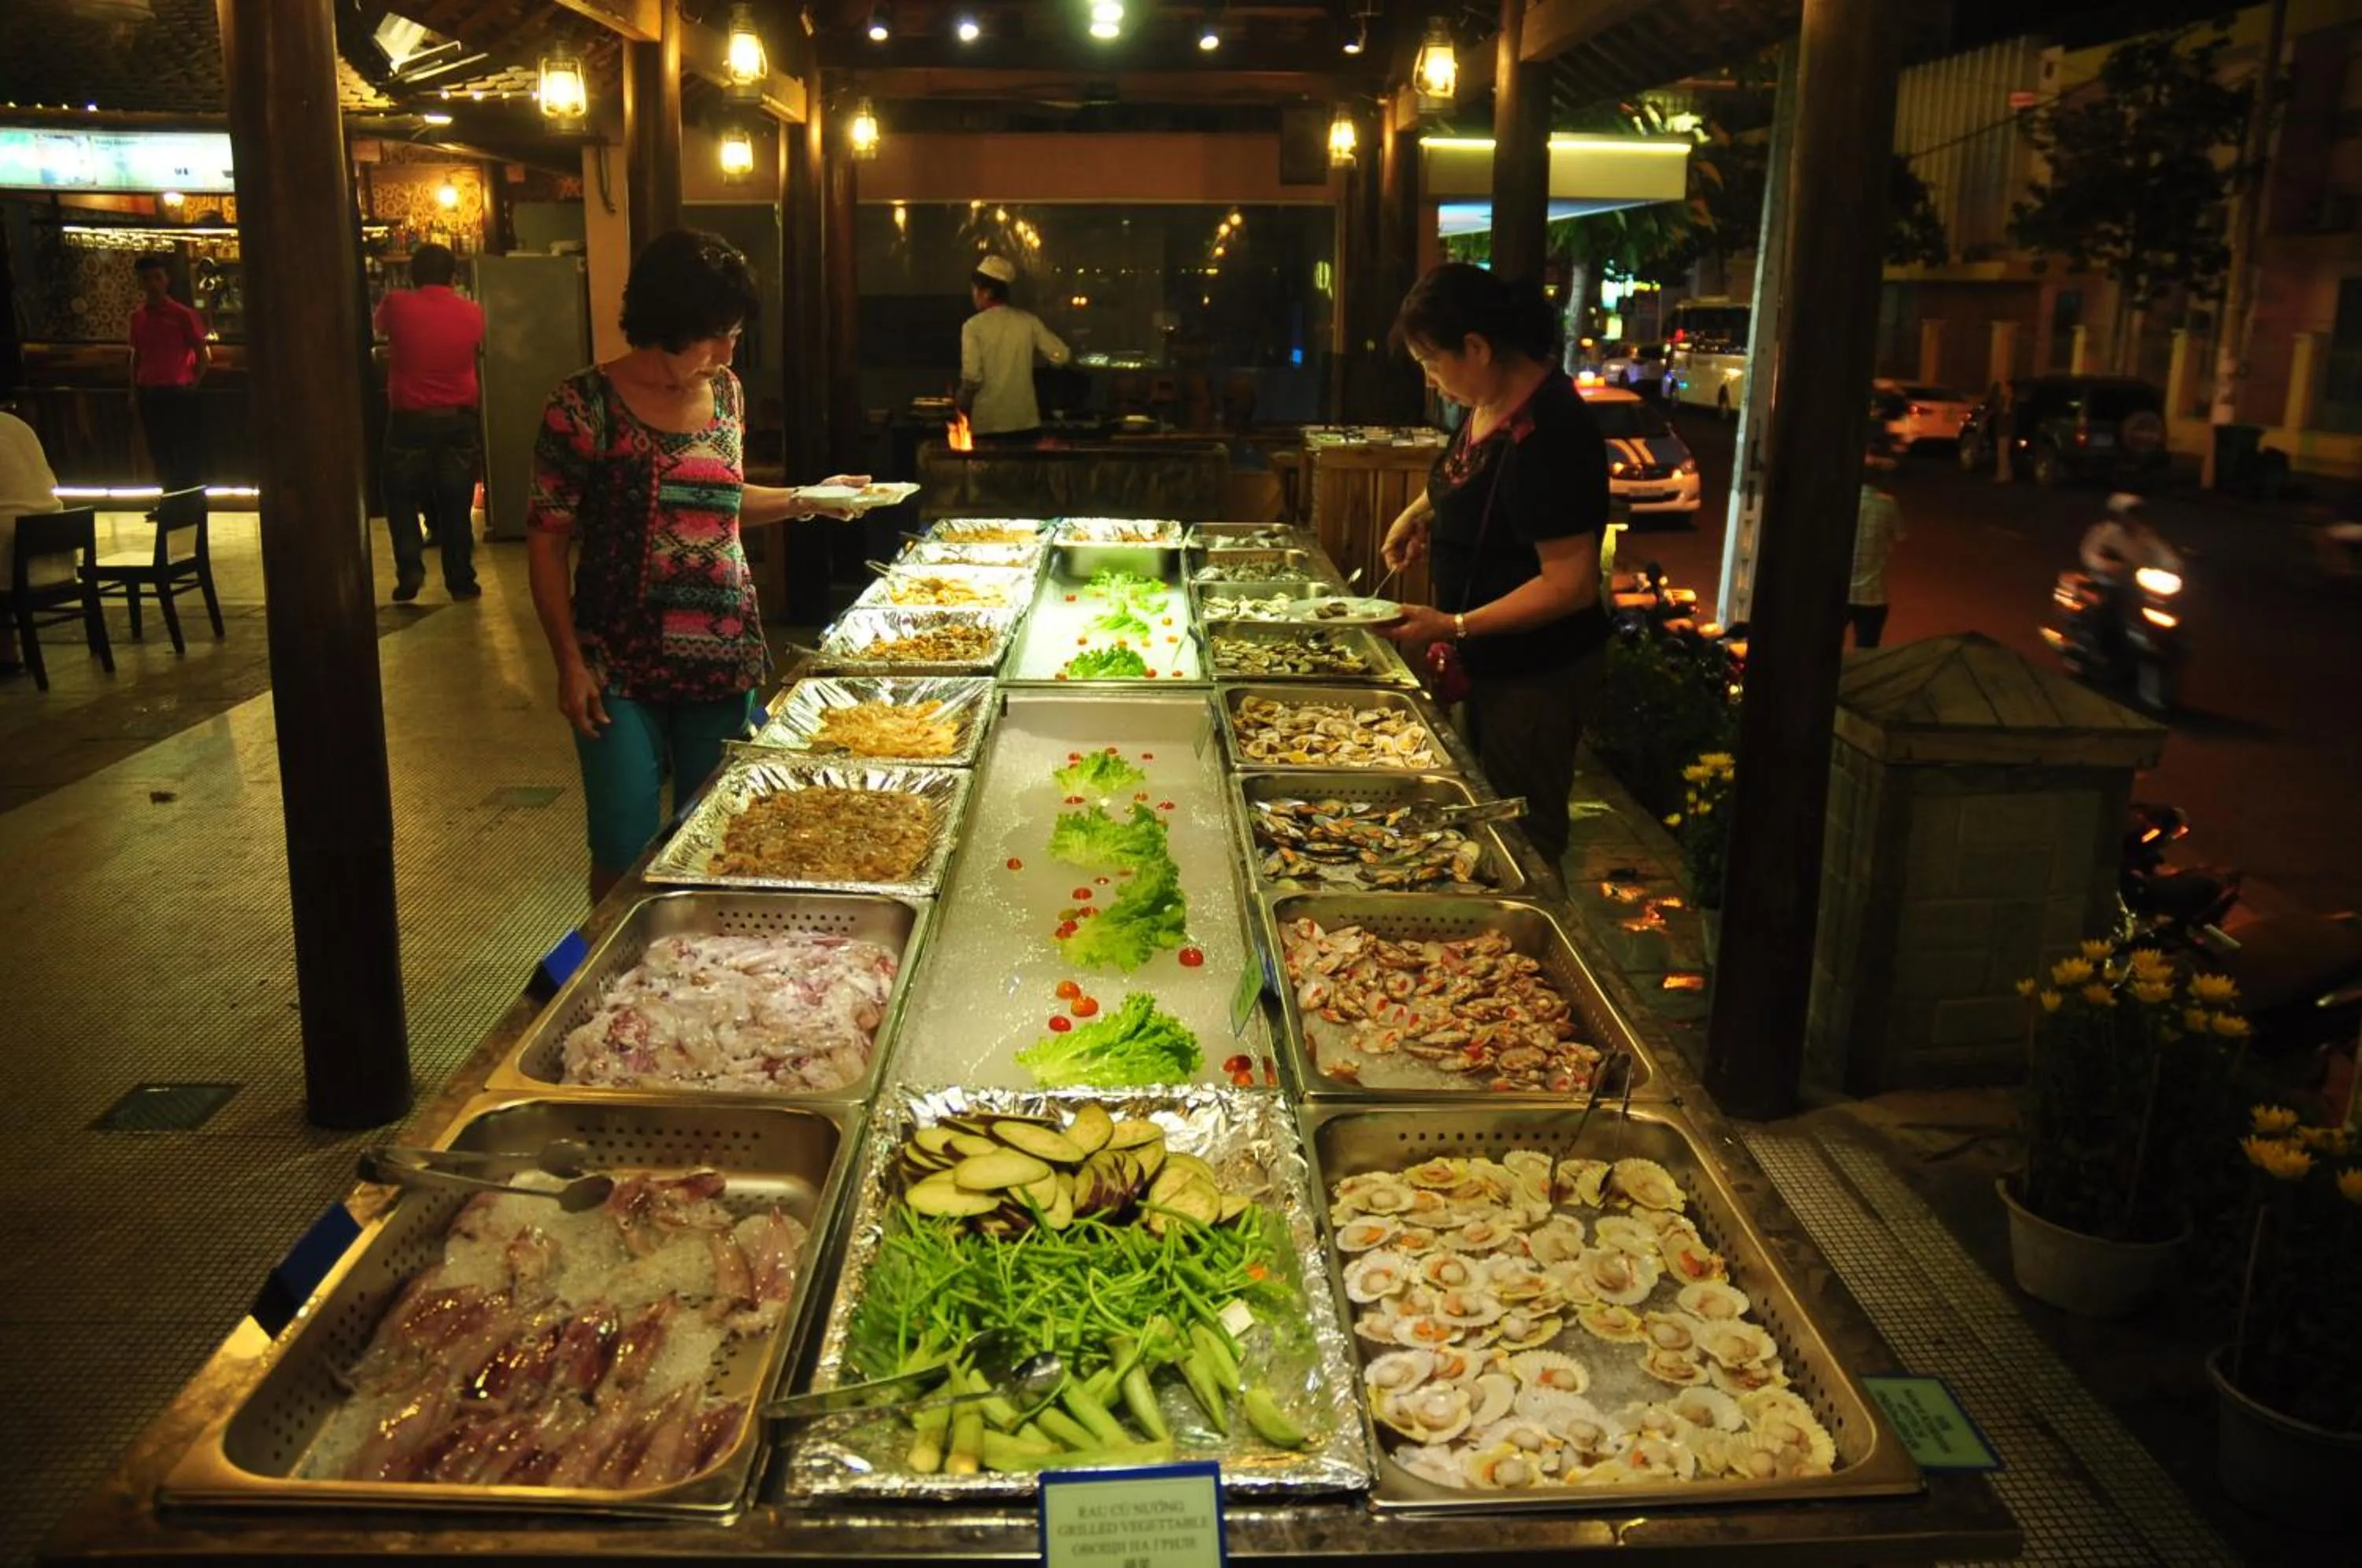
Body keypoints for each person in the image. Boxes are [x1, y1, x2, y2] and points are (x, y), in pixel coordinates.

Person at [525, 229, 867, 902]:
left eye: (735, 335)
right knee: (623, 846)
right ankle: (618, 959)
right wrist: (568, 660)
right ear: (668, 324)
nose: (729, 353)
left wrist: (809, 498)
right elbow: (546, 540)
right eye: (716, 335)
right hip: (617, 665)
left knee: (717, 837)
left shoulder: (727, 394)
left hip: (722, 661)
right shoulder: (582, 405)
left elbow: (719, 500)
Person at [1377, 263, 1612, 882]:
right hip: (1485, 663)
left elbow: (1570, 584)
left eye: (1432, 363)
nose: (1430, 380)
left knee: (1523, 840)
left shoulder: (1553, 430)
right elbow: (1473, 477)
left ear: (1477, 348)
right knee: (1483, 819)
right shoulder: (1487, 402)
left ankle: (1533, 934)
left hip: (1536, 674)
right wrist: (1421, 512)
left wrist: (1452, 624)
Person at [374, 242, 487, 602]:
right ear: (454, 277)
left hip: (410, 418)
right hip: (458, 418)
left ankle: (410, 568)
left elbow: (378, 330)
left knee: (400, 495)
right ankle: (461, 580)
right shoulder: (473, 312)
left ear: (412, 275)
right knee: (456, 502)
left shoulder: (395, 304)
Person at [958, 253, 1070, 443]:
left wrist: (962, 399)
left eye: (974, 290)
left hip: (988, 423)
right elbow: (1062, 355)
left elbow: (972, 377)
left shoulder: (973, 326)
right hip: (1025, 422)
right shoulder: (1028, 322)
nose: (973, 296)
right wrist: (1034, 359)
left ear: (987, 292)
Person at [128, 252, 209, 494]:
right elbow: (136, 356)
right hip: (150, 392)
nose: (153, 284)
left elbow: (202, 354)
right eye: (147, 279)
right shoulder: (137, 317)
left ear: (167, 280)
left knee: (184, 450)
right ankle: (170, 500)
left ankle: (190, 502)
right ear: (140, 283)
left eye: (157, 277)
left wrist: (192, 385)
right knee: (159, 451)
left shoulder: (183, 315)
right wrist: (133, 392)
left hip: (178, 391)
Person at [0, 404, 64, 674]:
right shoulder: (16, 425)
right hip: (57, 548)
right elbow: (50, 482)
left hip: (15, 561)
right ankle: (6, 650)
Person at [1849, 431, 1905, 649]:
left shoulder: (1842, 502)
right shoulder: (1888, 504)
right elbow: (1897, 537)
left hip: (1841, 591)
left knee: (1825, 652)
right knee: (1867, 651)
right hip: (1873, 594)